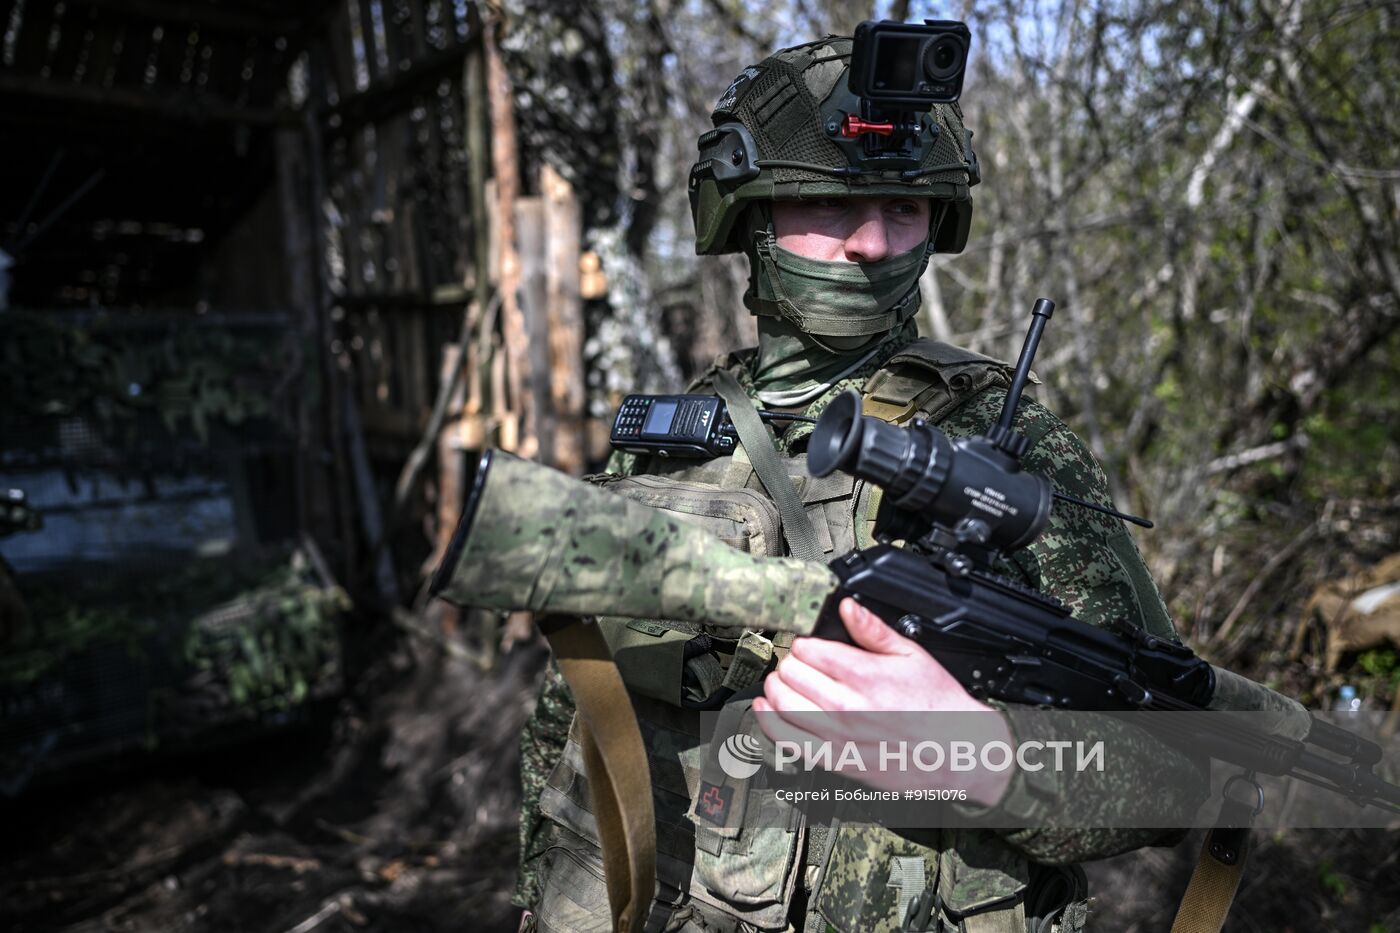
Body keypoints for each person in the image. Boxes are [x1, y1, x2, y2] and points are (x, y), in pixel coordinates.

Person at [513, 34, 1203, 933]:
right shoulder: (664, 447)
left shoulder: (1004, 445)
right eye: (827, 203)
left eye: (905, 205)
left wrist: (978, 755)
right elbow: (567, 723)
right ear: (750, 214)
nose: (873, 242)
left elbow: (1180, 767)